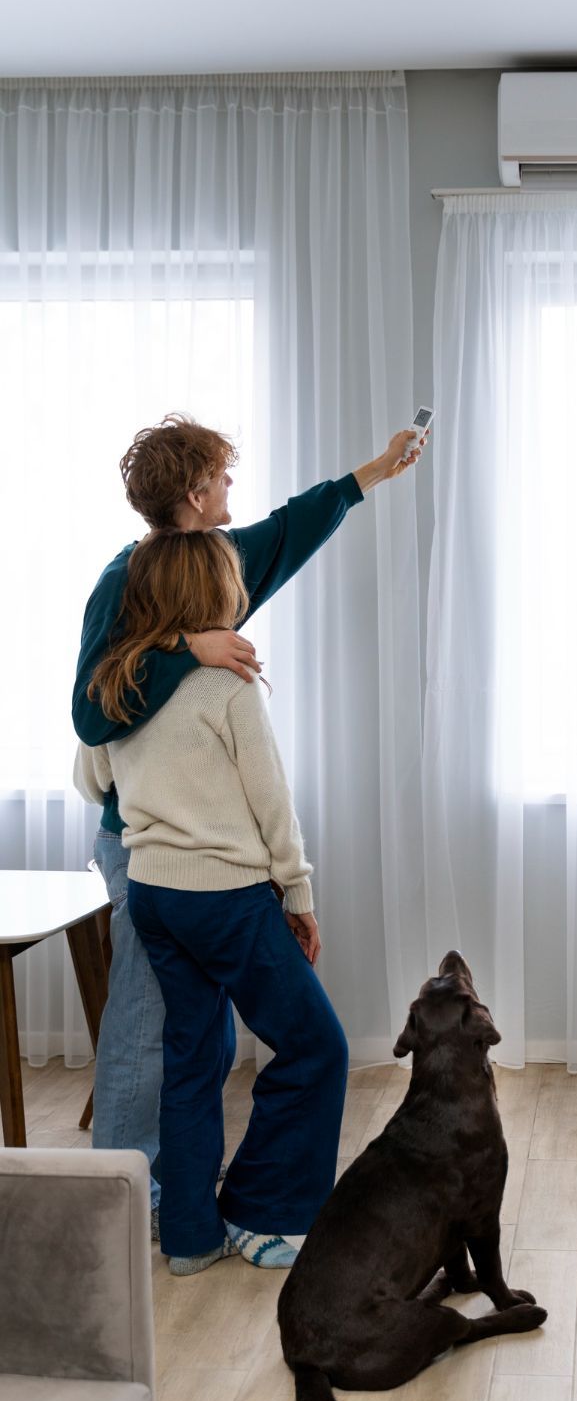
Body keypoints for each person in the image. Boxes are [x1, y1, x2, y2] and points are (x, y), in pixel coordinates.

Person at [72, 414, 425, 1232]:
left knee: (197, 1047)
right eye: (224, 476)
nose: (234, 487)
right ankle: (122, 1203)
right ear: (195, 493)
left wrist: (371, 472)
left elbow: (290, 528)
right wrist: (187, 650)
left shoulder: (219, 564)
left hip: (204, 849)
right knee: (148, 1029)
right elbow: (94, 715)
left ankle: (185, 1211)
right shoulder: (126, 581)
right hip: (149, 843)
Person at [75, 526, 346, 1274]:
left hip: (156, 895)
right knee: (316, 1045)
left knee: (194, 1060)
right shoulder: (227, 686)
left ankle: (190, 1236)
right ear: (213, 595)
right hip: (226, 898)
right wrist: (298, 892)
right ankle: (266, 1215)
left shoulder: (118, 683)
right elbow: (272, 804)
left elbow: (91, 781)